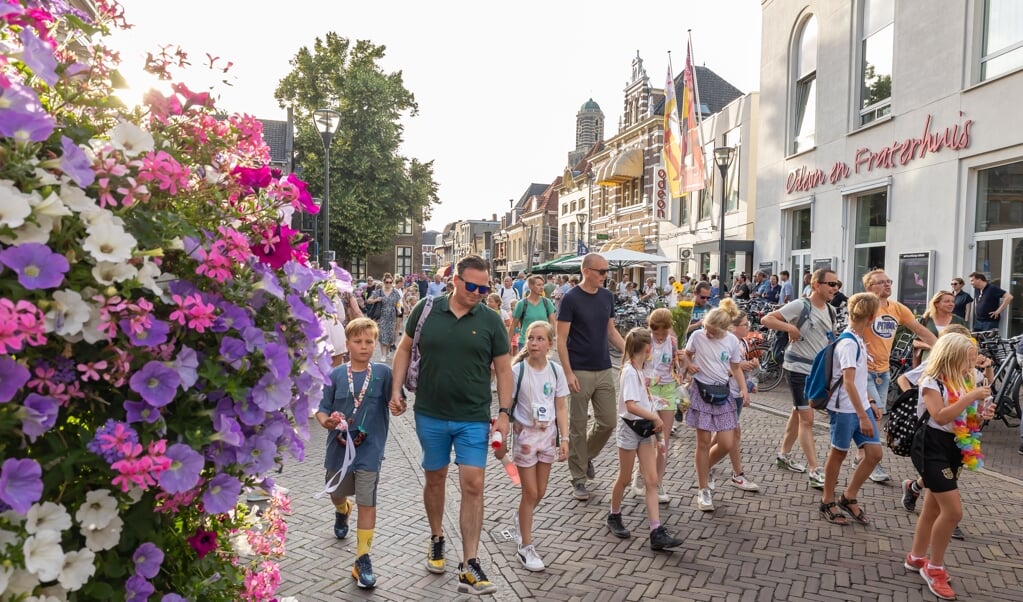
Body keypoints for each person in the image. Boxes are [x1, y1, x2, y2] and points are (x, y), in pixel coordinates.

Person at [389, 255, 512, 595]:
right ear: (455, 280)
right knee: (435, 477)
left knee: (473, 484)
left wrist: (504, 412)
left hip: (473, 415)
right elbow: (403, 349)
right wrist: (395, 389)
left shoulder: (490, 320)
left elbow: (503, 369)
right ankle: (437, 536)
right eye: (471, 286)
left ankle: (470, 563)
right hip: (429, 412)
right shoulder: (427, 310)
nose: (477, 293)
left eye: (483, 288)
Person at [905, 333, 995, 600]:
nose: (972, 365)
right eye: (967, 360)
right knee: (953, 512)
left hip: (954, 445)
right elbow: (941, 415)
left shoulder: (966, 379)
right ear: (952, 357)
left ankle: (916, 557)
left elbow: (967, 418)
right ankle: (935, 567)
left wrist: (982, 413)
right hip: (931, 446)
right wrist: (973, 397)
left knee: (933, 505)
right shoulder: (932, 381)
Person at [315, 318, 399, 589]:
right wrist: (325, 421)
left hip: (370, 450)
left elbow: (395, 399)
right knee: (335, 492)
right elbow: (321, 409)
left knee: (368, 501)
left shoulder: (383, 373)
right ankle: (342, 511)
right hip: (338, 450)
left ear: (375, 344)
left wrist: (399, 405)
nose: (364, 347)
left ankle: (362, 559)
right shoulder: (336, 374)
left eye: (369, 342)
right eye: (358, 342)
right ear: (347, 344)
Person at [606, 327, 685, 551]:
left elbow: (646, 402)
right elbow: (631, 405)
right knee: (624, 476)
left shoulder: (640, 370)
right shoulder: (630, 371)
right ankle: (614, 514)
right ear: (647, 347)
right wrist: (655, 419)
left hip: (645, 430)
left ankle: (656, 530)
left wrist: (658, 435)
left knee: (651, 479)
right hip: (630, 428)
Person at [761, 268, 840, 489]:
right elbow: (767, 318)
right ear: (816, 285)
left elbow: (830, 340)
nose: (835, 288)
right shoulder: (801, 305)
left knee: (798, 412)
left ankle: (783, 455)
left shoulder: (832, 311)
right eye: (831, 284)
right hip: (797, 368)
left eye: (837, 284)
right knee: (808, 419)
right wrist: (789, 327)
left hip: (816, 371)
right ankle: (815, 470)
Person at [557, 252, 626, 501]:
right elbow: (561, 340)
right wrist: (567, 372)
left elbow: (611, 331)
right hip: (579, 370)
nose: (606, 276)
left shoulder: (608, 297)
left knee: (608, 421)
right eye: (602, 272)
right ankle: (578, 479)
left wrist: (631, 353)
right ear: (586, 271)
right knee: (577, 426)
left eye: (607, 272)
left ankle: (584, 457)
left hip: (605, 368)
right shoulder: (570, 299)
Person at [501, 321, 569, 571]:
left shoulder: (555, 371)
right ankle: (525, 547)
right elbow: (506, 404)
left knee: (539, 492)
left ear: (550, 344)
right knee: (529, 493)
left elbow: (561, 406)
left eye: (540, 339)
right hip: (525, 439)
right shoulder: (517, 370)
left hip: (548, 437)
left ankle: (521, 519)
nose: (534, 343)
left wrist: (565, 438)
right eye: (531, 338)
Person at [857, 269, 937, 482]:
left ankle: (861, 452)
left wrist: (942, 349)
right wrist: (857, 350)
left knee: (878, 412)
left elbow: (920, 330)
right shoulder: (864, 305)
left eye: (888, 281)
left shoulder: (897, 308)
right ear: (869, 287)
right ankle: (872, 461)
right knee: (873, 414)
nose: (887, 285)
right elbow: (852, 330)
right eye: (881, 282)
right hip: (863, 369)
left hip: (884, 370)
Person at [817, 292, 882, 527]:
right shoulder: (847, 342)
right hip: (845, 409)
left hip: (860, 406)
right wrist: (863, 415)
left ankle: (848, 496)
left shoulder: (857, 339)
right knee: (839, 454)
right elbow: (848, 382)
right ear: (872, 316)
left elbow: (860, 380)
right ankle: (827, 500)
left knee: (874, 454)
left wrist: (870, 403)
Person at [682, 300, 749, 511]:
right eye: (706, 329)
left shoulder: (731, 341)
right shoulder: (697, 336)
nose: (708, 334)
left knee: (727, 442)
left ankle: (705, 467)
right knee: (702, 441)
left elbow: (736, 368)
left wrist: (744, 388)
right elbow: (686, 354)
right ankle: (703, 490)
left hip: (722, 393)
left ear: (725, 329)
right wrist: (689, 365)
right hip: (701, 391)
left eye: (712, 332)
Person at [707, 302, 760, 492]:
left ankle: (733, 473)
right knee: (730, 435)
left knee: (729, 434)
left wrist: (748, 383)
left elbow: (738, 369)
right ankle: (708, 468)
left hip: (735, 393)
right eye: (745, 324)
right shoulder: (727, 342)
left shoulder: (741, 343)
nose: (748, 327)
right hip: (727, 393)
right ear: (733, 326)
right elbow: (722, 369)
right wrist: (740, 369)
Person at [635, 308, 683, 503]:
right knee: (649, 439)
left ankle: (658, 482)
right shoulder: (646, 340)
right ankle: (640, 473)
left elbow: (676, 365)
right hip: (649, 391)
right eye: (657, 332)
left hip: (668, 390)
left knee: (663, 442)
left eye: (664, 331)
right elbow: (637, 363)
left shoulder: (672, 340)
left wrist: (683, 362)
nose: (660, 335)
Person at [912, 290, 968, 365]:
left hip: (952, 363)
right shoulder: (926, 320)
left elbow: (968, 341)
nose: (951, 304)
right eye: (947, 301)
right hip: (929, 362)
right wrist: (931, 346)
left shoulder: (959, 321)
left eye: (952, 301)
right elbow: (915, 342)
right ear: (936, 304)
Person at [511, 275, 557, 353]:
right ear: (531, 286)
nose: (542, 287)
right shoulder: (522, 304)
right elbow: (513, 325)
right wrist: (508, 343)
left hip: (542, 343)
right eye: (539, 285)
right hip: (525, 342)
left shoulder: (547, 303)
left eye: (542, 285)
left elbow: (553, 323)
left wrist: (553, 341)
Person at [366, 273, 402, 362]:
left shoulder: (395, 292)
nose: (388, 284)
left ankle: (388, 349)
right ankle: (383, 355)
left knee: (390, 335)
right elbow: (368, 300)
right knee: (382, 334)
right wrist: (376, 300)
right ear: (384, 282)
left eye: (390, 282)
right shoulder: (379, 292)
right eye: (387, 282)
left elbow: (397, 302)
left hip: (392, 315)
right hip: (381, 315)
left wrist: (399, 309)